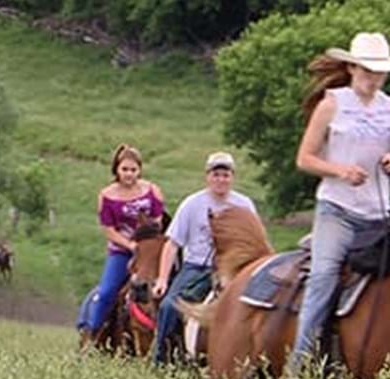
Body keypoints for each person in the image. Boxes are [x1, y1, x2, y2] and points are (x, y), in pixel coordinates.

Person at [284, 31, 390, 379]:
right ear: (352, 68)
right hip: (338, 210)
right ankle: (300, 367)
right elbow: (305, 158)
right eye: (367, 70)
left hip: (380, 214)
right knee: (324, 276)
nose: (373, 78)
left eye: (380, 72)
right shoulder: (331, 104)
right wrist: (340, 170)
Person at [150, 150, 257, 365]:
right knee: (169, 306)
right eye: (216, 174)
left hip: (234, 269)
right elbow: (172, 243)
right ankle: (161, 358)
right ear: (207, 176)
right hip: (197, 267)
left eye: (225, 175)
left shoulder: (244, 205)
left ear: (232, 177)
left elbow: (254, 242)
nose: (221, 180)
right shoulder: (192, 204)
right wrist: (162, 279)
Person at [75, 144, 167, 340]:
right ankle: (93, 335)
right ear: (117, 169)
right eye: (124, 169)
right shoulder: (107, 196)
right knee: (107, 292)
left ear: (140, 170)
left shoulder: (152, 191)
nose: (129, 174)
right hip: (121, 250)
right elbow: (109, 230)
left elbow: (158, 221)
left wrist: (144, 243)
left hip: (151, 250)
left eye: (133, 170)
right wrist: (131, 245)